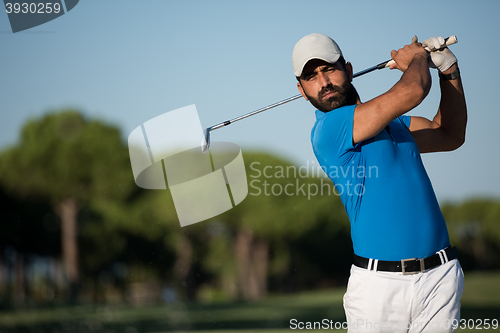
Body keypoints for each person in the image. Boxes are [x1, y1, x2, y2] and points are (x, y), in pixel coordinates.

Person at [292, 33, 467, 332]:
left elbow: (449, 134)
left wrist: (449, 70)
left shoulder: (394, 123)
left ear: (348, 69)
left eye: (329, 70)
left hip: (441, 276)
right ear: (301, 90)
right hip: (379, 288)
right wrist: (418, 58)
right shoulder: (329, 130)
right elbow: (413, 90)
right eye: (311, 77)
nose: (323, 83)